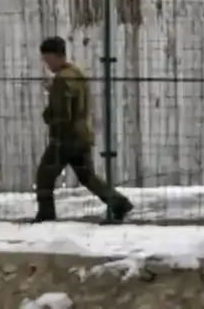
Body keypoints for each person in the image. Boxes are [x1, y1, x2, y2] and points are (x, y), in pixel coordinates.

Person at [36, 35, 132, 223]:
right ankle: (119, 202)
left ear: (56, 56)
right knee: (87, 177)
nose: (47, 65)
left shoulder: (61, 80)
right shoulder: (77, 74)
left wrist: (48, 114)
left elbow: (63, 113)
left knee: (44, 176)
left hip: (65, 139)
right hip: (82, 136)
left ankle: (46, 215)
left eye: (47, 60)